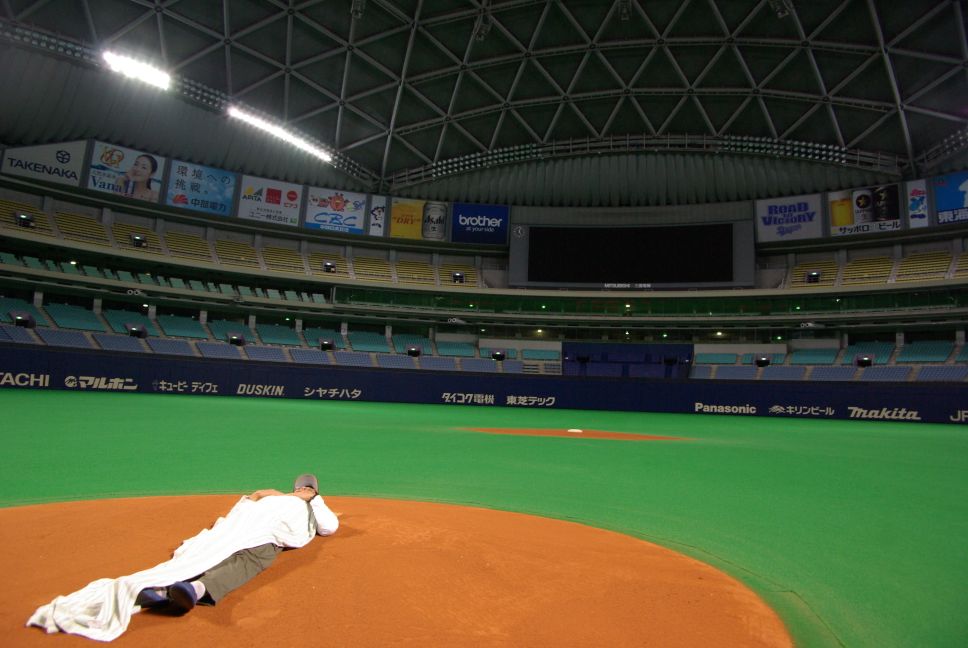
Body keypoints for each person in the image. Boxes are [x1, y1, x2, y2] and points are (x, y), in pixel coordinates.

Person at [27, 474, 339, 641]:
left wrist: (313, 501)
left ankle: (187, 590)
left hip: (265, 535)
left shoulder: (310, 507)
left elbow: (329, 527)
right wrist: (257, 496)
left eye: (310, 488)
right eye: (302, 486)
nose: (305, 489)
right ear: (294, 487)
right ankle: (166, 589)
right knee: (218, 555)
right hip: (242, 529)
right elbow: (240, 509)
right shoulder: (276, 496)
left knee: (244, 559)